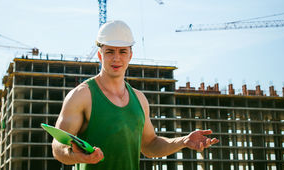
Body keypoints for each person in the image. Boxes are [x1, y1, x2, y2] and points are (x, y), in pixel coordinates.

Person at [52, 20, 219, 169]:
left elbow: (150, 145)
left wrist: (182, 141)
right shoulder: (81, 95)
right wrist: (75, 156)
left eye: (122, 52)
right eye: (110, 51)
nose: (116, 58)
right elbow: (58, 146)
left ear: (130, 55)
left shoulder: (139, 99)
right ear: (100, 55)